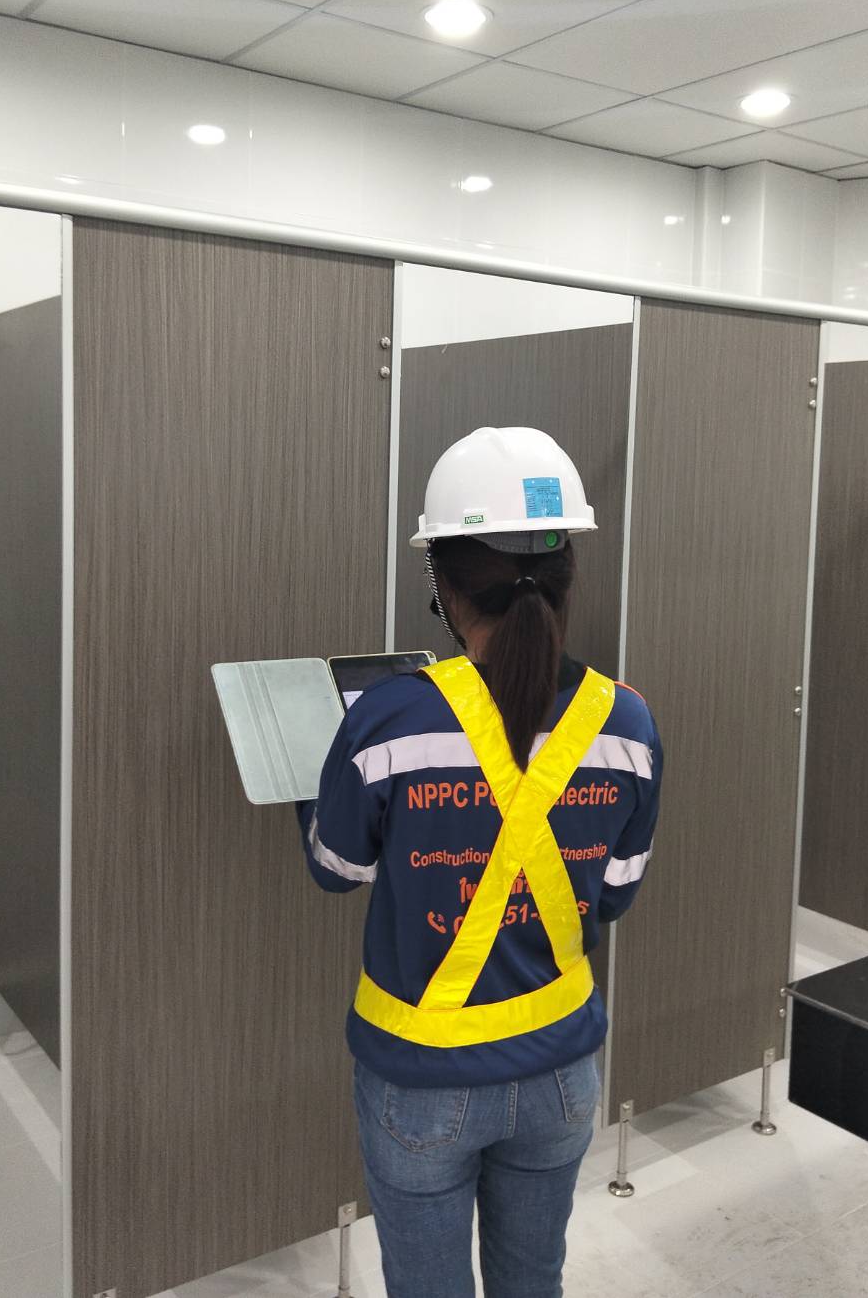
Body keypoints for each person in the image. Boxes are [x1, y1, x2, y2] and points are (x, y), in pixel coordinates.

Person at [297, 426, 662, 1298]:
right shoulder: (628, 722)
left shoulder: (388, 719)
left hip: (421, 1083)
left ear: (443, 583)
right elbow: (615, 893)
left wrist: (321, 785)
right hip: (562, 1075)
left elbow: (336, 866)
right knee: (533, 1281)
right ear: (567, 576)